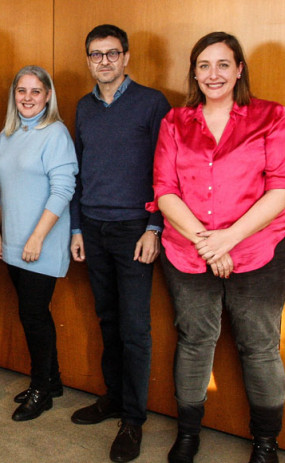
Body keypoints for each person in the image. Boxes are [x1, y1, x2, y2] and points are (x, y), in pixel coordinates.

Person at [150, 32, 285, 463]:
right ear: (193, 71)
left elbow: (281, 188)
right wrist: (209, 244)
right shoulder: (174, 122)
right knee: (194, 341)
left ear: (239, 69)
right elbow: (165, 191)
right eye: (204, 65)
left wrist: (229, 238)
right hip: (187, 251)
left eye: (223, 64)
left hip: (259, 251)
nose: (213, 74)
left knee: (260, 347)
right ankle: (188, 435)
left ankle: (265, 444)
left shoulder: (271, 116)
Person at [69, 24, 170, 462]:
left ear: (126, 58)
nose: (104, 61)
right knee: (107, 318)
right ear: (88, 60)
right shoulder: (83, 107)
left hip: (134, 231)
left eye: (112, 54)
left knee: (135, 329)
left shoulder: (153, 103)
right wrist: (76, 228)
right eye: (96, 54)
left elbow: (169, 171)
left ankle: (133, 418)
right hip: (92, 226)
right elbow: (78, 173)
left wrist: (155, 227)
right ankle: (112, 396)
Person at [0, 66, 77, 422]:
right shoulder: (6, 135)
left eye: (36, 91)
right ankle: (51, 380)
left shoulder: (54, 133)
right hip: (11, 242)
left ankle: (41, 389)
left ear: (47, 96)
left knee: (34, 316)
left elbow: (64, 189)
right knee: (32, 315)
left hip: (41, 244)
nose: (28, 98)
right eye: (22, 90)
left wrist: (37, 237)